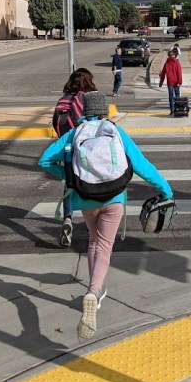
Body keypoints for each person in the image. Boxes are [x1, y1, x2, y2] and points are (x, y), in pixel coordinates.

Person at [37, 91, 173, 340]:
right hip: (114, 198)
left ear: (84, 112)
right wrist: (165, 190)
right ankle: (94, 290)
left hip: (86, 199)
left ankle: (95, 290)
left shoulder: (73, 134)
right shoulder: (115, 132)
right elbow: (142, 164)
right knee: (104, 246)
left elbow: (44, 160)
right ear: (105, 112)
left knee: (93, 241)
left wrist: (69, 178)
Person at [51, 68, 98, 248]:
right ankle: (90, 222)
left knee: (69, 183)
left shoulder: (64, 97)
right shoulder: (87, 97)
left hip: (67, 146)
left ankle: (67, 219)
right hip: (84, 146)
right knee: (90, 180)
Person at [159, 49, 183, 116]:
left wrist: (161, 83)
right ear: (174, 55)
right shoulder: (176, 63)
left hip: (170, 82)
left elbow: (163, 74)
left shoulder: (167, 63)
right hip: (175, 82)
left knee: (171, 97)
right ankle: (176, 109)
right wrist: (179, 82)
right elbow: (179, 73)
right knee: (177, 97)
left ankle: (172, 110)